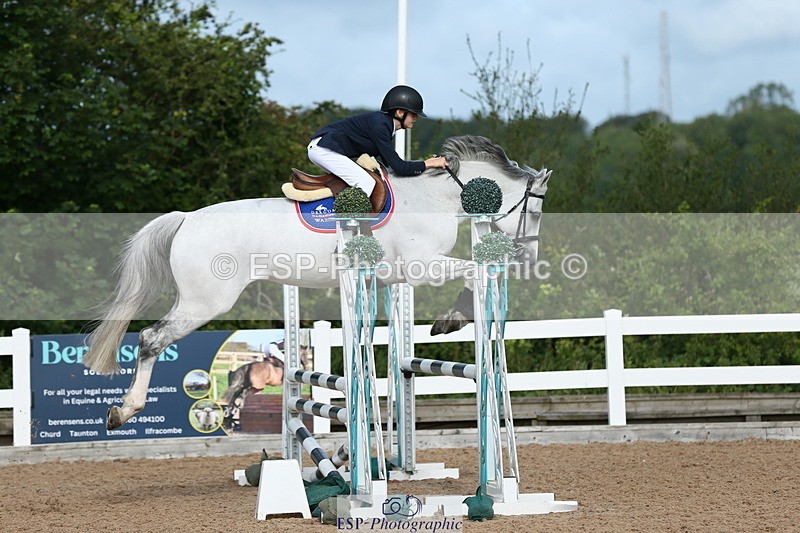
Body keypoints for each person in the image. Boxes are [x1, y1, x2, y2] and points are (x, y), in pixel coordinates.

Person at [307, 85, 448, 197]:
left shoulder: (385, 126)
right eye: (413, 114)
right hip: (323, 149)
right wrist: (429, 163)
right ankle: (350, 228)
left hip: (325, 149)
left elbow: (393, 165)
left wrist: (425, 164)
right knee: (366, 182)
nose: (416, 118)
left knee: (363, 180)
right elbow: (400, 167)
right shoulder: (381, 126)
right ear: (400, 112)